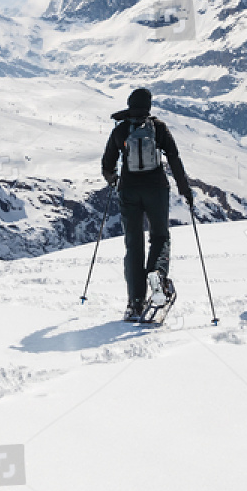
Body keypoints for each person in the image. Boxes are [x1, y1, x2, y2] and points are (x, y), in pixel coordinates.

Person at [101, 87, 194, 322]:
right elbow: (174, 157)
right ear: (149, 105)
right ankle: (157, 276)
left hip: (129, 191)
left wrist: (114, 180)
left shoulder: (121, 129)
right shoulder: (158, 128)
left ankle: (134, 302)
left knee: (134, 245)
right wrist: (185, 190)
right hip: (156, 188)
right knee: (160, 237)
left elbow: (107, 164)